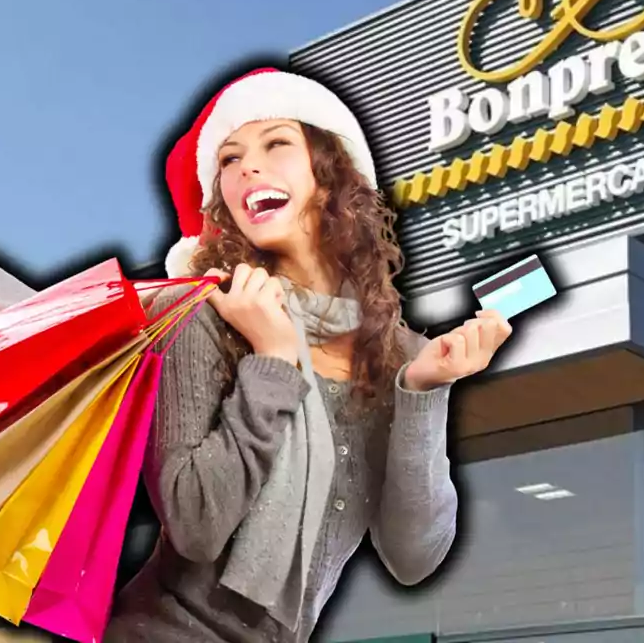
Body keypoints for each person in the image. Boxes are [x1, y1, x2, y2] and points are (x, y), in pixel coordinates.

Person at [104, 67, 512, 643]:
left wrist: (423, 394)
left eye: (277, 144)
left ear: (328, 176)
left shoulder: (397, 357)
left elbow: (413, 556)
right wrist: (271, 360)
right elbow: (194, 525)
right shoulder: (203, 311)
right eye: (229, 159)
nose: (248, 167)